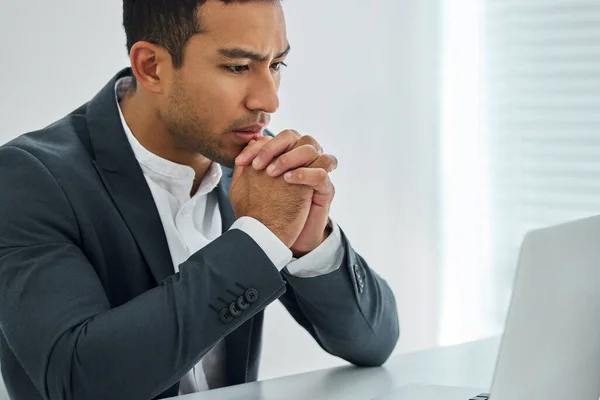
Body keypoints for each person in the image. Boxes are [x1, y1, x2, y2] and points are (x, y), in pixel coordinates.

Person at [0, 0, 399, 399]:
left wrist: (310, 245)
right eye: (238, 67)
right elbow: (80, 382)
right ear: (151, 67)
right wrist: (259, 238)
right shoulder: (29, 178)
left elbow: (373, 342)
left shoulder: (255, 168)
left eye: (276, 65)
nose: (269, 100)